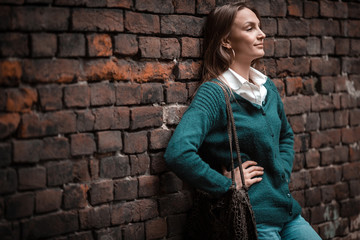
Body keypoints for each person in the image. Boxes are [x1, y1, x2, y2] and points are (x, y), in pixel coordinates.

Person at [164, 2, 322, 240]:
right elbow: (178, 152)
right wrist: (226, 184)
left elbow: (286, 136)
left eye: (259, 27)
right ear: (227, 40)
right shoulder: (216, 93)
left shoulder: (266, 87)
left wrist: (281, 172)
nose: (262, 34)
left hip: (288, 215)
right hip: (252, 219)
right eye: (250, 28)